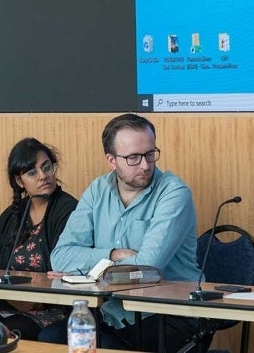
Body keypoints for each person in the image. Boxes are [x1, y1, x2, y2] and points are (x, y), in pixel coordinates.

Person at [50, 113, 204, 352]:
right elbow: (60, 256)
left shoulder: (174, 193)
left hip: (169, 313)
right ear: (111, 160)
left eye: (150, 154)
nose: (145, 165)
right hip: (113, 312)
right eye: (133, 157)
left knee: (100, 348)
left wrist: (90, 267)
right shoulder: (97, 190)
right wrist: (115, 254)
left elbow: (147, 268)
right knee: (48, 338)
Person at [0, 138, 78, 343]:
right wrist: (11, 299)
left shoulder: (69, 210)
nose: (43, 176)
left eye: (46, 167)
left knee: (1, 336)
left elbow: (66, 269)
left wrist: (32, 301)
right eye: (32, 173)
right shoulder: (10, 217)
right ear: (19, 181)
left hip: (51, 308)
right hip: (8, 305)